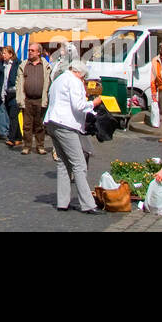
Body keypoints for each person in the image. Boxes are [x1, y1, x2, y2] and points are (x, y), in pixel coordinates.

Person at [44, 60, 103, 214]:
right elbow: (79, 105)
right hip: (66, 125)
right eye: (83, 78)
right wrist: (93, 103)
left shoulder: (59, 79)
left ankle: (62, 202)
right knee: (79, 164)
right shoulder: (74, 81)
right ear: (80, 73)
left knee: (63, 162)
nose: (83, 80)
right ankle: (88, 204)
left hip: (52, 122)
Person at [16, 42, 50, 155]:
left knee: (40, 124)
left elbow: (48, 82)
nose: (30, 52)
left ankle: (40, 146)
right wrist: (20, 97)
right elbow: (19, 83)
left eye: (32, 50)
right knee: (27, 125)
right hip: (27, 99)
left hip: (40, 98)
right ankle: (27, 146)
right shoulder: (24, 65)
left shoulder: (45, 66)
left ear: (39, 52)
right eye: (29, 50)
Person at [0, 45, 23, 148]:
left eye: (5, 53)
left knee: (13, 116)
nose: (3, 55)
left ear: (10, 54)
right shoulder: (1, 64)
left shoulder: (17, 64)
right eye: (2, 53)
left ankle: (11, 139)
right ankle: (19, 137)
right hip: (6, 93)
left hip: (15, 93)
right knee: (11, 116)